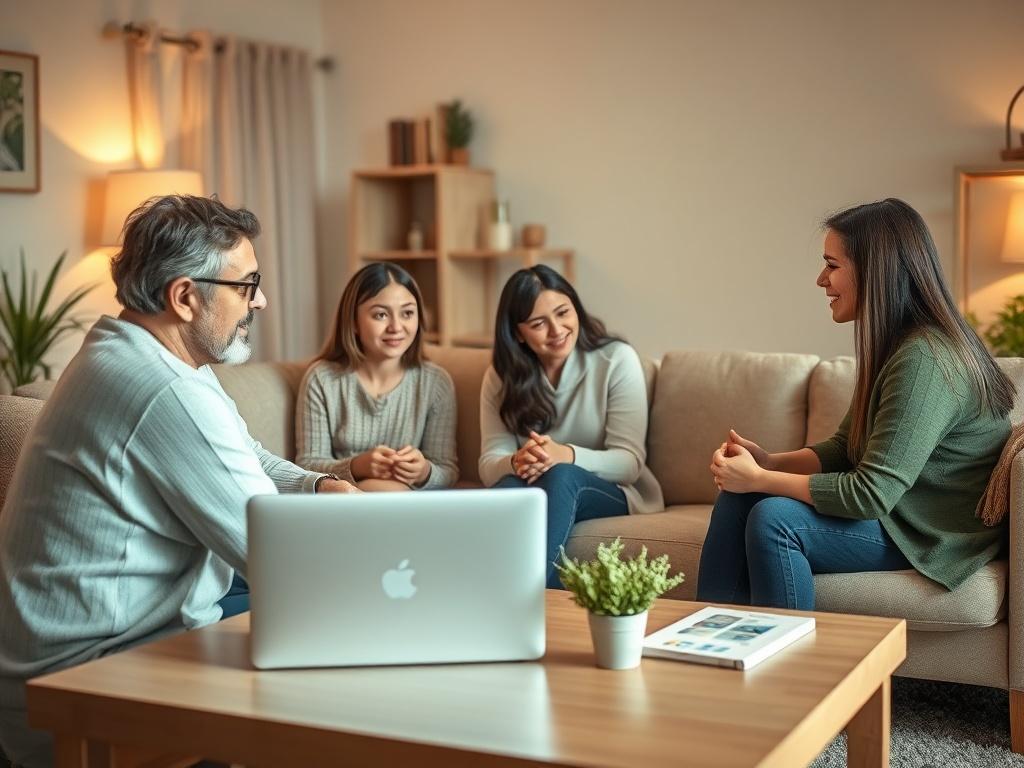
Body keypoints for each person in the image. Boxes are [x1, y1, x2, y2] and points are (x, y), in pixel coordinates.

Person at [0, 195, 356, 767]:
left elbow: (248, 455)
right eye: (247, 285)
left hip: (106, 651)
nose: (260, 300)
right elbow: (278, 556)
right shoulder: (163, 389)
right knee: (339, 652)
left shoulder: (141, 352)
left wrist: (317, 487)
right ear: (185, 297)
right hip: (84, 684)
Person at [697, 198, 1015, 610]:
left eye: (831, 265)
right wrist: (770, 462)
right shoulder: (897, 346)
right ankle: (710, 637)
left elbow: (870, 494)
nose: (821, 280)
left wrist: (760, 479)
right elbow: (846, 447)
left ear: (875, 271)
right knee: (738, 498)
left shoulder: (926, 359)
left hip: (932, 533)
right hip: (902, 514)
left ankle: (788, 653)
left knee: (775, 520)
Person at [478, 265, 663, 587]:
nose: (557, 330)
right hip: (535, 485)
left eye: (563, 313)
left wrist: (565, 455)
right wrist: (516, 461)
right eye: (538, 323)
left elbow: (629, 463)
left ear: (576, 308)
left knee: (561, 475)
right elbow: (489, 464)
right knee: (507, 489)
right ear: (518, 333)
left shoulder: (616, 359)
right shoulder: (501, 377)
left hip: (613, 491)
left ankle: (524, 596)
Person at [295, 262, 457, 491]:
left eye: (407, 313)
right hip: (343, 499)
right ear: (353, 322)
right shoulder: (322, 379)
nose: (396, 327)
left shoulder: (436, 383)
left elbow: (448, 470)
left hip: (408, 501)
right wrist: (357, 466)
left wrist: (424, 472)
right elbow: (307, 465)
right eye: (381, 315)